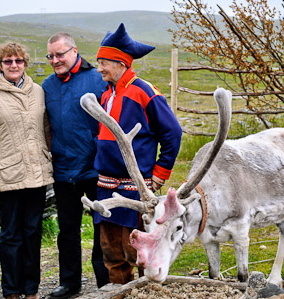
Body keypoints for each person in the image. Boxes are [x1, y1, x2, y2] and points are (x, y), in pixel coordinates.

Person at [94, 23, 182, 284]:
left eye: (104, 63)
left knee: (139, 253)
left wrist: (158, 176)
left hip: (136, 190)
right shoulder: (105, 96)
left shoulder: (144, 92)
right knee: (112, 255)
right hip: (106, 188)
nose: (99, 69)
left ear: (121, 63)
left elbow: (172, 133)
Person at [0, 41, 54, 299]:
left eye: (18, 60)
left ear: (25, 63)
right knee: (10, 236)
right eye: (8, 61)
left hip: (37, 175)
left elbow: (46, 131)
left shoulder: (38, 92)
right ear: (0, 65)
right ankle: (11, 291)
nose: (14, 65)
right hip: (6, 176)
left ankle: (31, 291)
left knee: (33, 233)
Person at [42, 33, 110, 298]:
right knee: (67, 231)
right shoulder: (47, 86)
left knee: (100, 226)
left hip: (95, 168)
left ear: (74, 51)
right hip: (63, 170)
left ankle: (105, 281)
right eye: (51, 56)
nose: (55, 60)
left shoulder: (97, 79)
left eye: (60, 54)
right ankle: (69, 283)